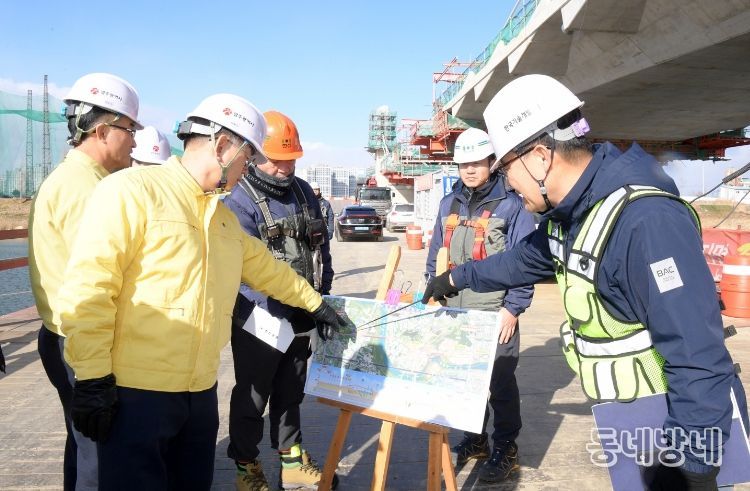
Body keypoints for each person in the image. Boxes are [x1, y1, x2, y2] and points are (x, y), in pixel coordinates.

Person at [422, 74, 748, 489]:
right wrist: (455, 277)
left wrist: (694, 469)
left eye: (506, 169)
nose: (508, 184)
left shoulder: (646, 221)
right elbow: (520, 261)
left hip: (679, 435)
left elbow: (696, 353)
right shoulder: (573, 217)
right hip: (634, 423)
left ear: (539, 158)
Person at [56, 94, 347, 490]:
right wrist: (92, 377)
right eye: (247, 159)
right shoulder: (132, 192)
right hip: (136, 393)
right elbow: (90, 289)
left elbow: (270, 272)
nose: (246, 171)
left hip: (199, 394)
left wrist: (317, 306)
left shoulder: (221, 218)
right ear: (223, 146)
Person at [28, 72, 142, 491]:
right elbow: (97, 278)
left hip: (66, 336)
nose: (134, 142)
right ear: (102, 130)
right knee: (98, 455)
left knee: (83, 444)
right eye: (130, 130)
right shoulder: (86, 190)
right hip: (81, 343)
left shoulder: (81, 179)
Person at [224, 110, 336, 491]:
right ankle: (246, 467)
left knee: (291, 391)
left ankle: (291, 462)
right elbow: (243, 270)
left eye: (291, 159)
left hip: (302, 313)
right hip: (259, 318)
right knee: (253, 397)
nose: (285, 168)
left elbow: (321, 248)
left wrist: (322, 297)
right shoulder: (239, 202)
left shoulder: (304, 193)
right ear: (255, 154)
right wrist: (276, 318)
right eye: (276, 160)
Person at [426, 127, 535, 483]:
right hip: (454, 311)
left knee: (499, 384)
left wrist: (513, 308)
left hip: (495, 312)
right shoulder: (449, 203)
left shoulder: (513, 204)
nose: (470, 170)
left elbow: (525, 261)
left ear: (492, 162)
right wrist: (433, 295)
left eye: (476, 162)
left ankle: (507, 448)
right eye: (463, 164)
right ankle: (476, 440)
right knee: (463, 381)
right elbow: (435, 255)